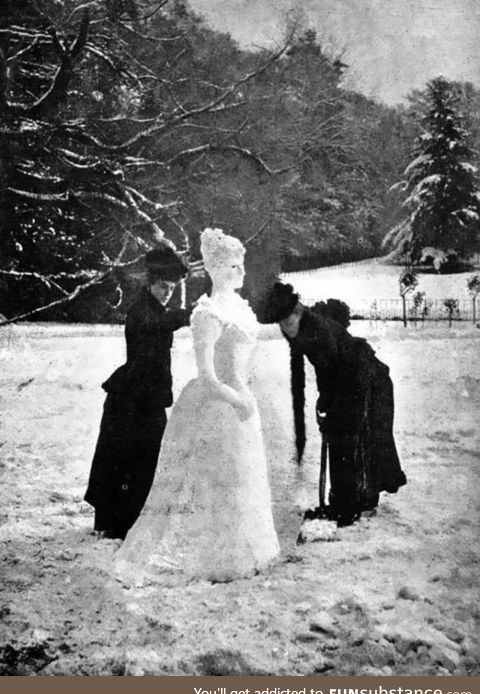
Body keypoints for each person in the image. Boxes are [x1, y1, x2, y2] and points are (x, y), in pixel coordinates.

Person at [113, 228, 280, 584]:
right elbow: (207, 374)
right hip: (214, 403)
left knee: (239, 479)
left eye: (241, 266)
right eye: (234, 266)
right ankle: (209, 558)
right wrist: (237, 400)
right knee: (203, 480)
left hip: (240, 404)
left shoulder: (239, 309)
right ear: (218, 270)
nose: (242, 273)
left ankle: (242, 552)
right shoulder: (206, 313)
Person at [266, 281, 406, 527]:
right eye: (281, 325)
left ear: (298, 313)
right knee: (342, 440)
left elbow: (343, 372)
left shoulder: (316, 331)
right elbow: (327, 372)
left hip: (367, 382)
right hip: (353, 381)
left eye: (287, 322)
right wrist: (326, 402)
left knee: (357, 440)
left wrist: (333, 406)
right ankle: (344, 503)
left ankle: (357, 506)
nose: (286, 330)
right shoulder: (306, 328)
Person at [84, 241, 190, 540]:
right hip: (130, 398)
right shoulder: (141, 310)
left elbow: (163, 322)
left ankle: (129, 518)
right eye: (161, 287)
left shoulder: (156, 308)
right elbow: (154, 324)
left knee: (145, 457)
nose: (166, 292)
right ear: (151, 284)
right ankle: (117, 522)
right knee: (126, 457)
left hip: (147, 396)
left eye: (170, 287)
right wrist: (185, 315)